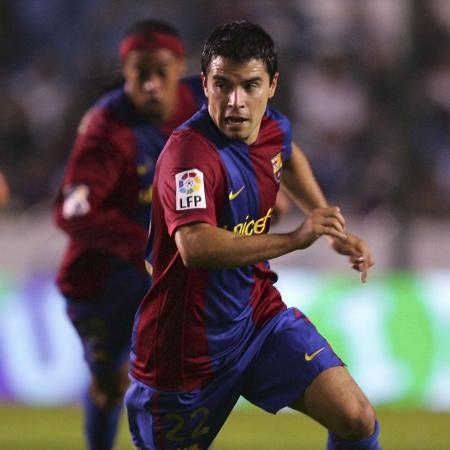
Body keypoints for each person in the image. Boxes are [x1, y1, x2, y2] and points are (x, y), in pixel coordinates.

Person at [125, 20, 382, 450]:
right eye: (223, 85)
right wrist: (296, 239)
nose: (236, 102)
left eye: (250, 86)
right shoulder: (188, 155)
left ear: (272, 85)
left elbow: (288, 152)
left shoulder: (272, 128)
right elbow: (196, 245)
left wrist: (322, 215)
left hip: (256, 320)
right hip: (183, 355)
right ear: (205, 83)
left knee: (356, 418)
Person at [53, 19, 204, 450]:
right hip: (101, 281)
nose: (152, 84)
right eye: (141, 73)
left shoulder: (202, 100)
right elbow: (71, 213)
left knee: (177, 377)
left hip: (163, 273)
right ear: (126, 71)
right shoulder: (106, 129)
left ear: (179, 66)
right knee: (110, 386)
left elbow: (250, 135)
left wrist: (273, 187)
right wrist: (145, 245)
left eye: (161, 71)